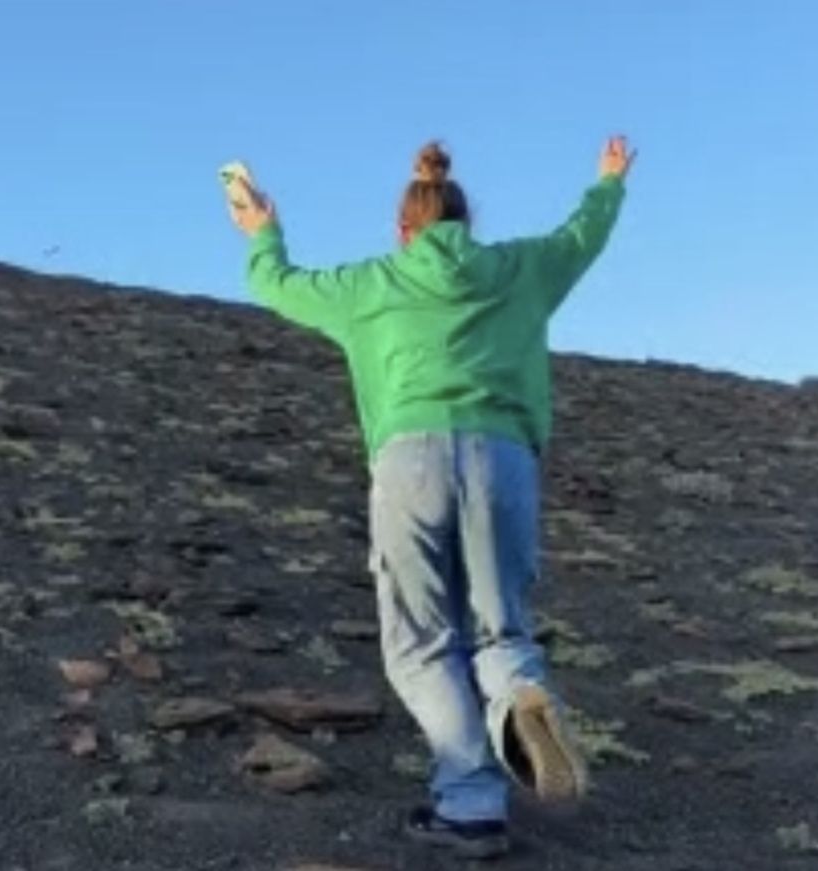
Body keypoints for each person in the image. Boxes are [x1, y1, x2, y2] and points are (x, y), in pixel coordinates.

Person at [227, 136, 634, 860]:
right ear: (464, 221)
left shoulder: (372, 283)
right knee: (500, 631)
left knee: (418, 642)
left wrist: (263, 231)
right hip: (503, 458)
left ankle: (471, 797)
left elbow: (279, 285)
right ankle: (520, 697)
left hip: (409, 459)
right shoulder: (519, 269)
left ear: (402, 229)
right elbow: (582, 236)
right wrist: (606, 182)